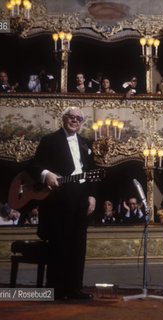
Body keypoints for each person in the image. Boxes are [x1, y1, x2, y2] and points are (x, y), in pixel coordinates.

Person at [28, 106, 97, 300]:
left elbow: (92, 171)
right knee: (60, 243)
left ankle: (75, 288)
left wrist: (92, 196)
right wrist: (47, 174)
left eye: (78, 118)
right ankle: (58, 290)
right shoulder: (49, 140)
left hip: (81, 197)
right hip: (59, 197)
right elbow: (33, 166)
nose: (75, 120)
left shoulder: (85, 143)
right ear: (64, 118)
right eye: (71, 117)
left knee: (78, 244)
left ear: (81, 122)